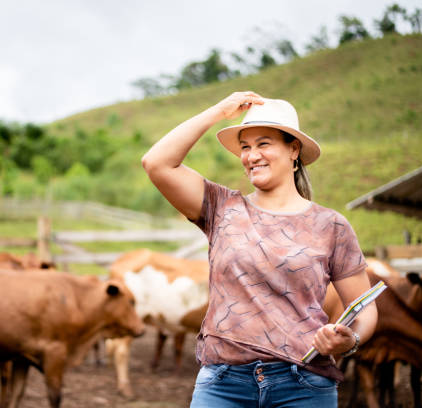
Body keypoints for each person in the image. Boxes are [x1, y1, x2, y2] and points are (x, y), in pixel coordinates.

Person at [141, 91, 377, 407]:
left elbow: (365, 308)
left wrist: (350, 340)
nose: (251, 156)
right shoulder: (221, 207)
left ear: (294, 149)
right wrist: (218, 111)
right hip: (223, 385)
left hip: (304, 385)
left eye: (263, 144)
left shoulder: (331, 225)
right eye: (245, 147)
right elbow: (156, 163)